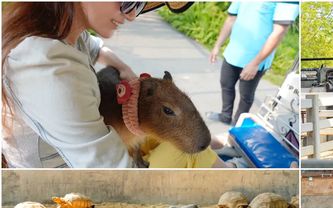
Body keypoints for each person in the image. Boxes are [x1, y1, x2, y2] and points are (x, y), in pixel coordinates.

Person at [1, 2, 193, 168]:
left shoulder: (60, 27)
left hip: (84, 160)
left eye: (139, 3)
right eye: (128, 0)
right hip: (60, 185)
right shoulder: (52, 68)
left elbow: (94, 46)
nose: (132, 14)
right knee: (191, 156)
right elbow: (110, 169)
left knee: (176, 140)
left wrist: (124, 68)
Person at [208, 1, 299, 125]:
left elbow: (279, 32)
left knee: (246, 95)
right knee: (226, 85)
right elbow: (231, 19)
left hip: (255, 60)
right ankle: (225, 116)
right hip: (232, 53)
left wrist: (255, 64)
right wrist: (217, 46)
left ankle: (237, 125)